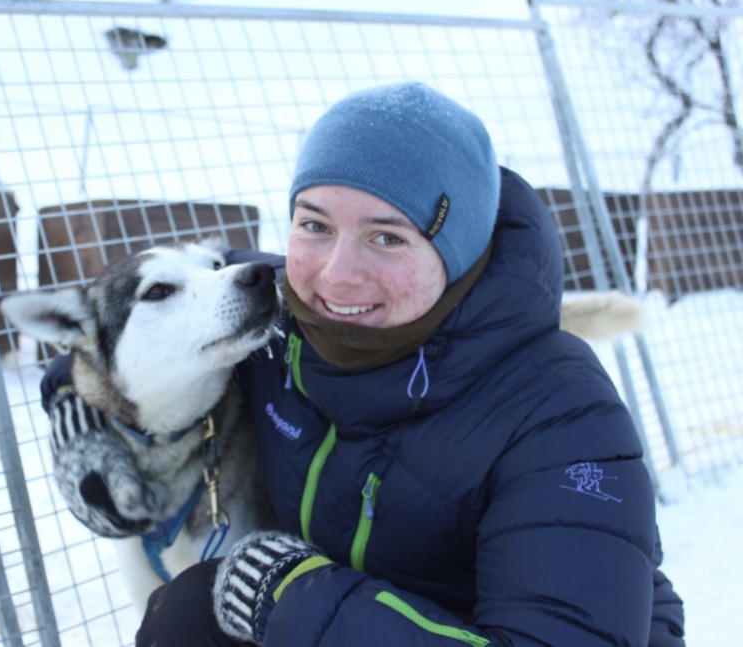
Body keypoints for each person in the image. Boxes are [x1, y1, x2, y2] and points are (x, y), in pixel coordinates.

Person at [40, 82, 686, 646]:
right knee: (185, 613)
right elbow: (147, 317)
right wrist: (79, 407)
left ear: (457, 251)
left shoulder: (564, 419)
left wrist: (291, 595)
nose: (336, 275)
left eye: (387, 236)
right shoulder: (276, 316)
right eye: (315, 226)